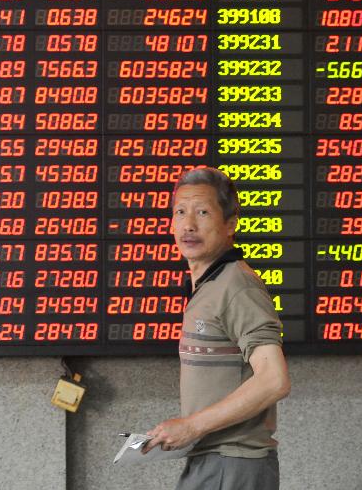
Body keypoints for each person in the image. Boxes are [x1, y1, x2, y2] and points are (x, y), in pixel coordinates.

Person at [144, 167, 290, 490]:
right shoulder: (207, 286)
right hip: (210, 461)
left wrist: (192, 427)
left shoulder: (237, 286)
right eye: (180, 212)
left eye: (203, 212)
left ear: (230, 224)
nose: (189, 224)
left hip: (233, 465)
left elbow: (274, 379)